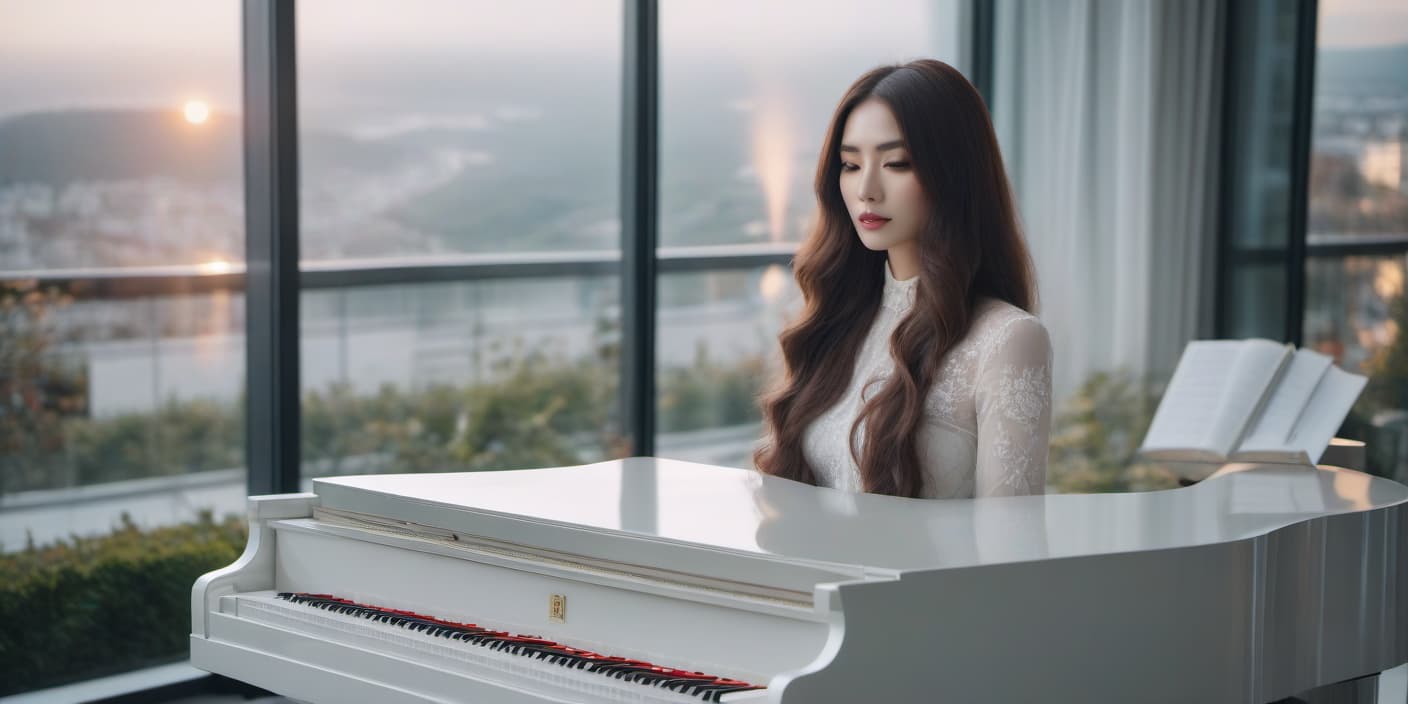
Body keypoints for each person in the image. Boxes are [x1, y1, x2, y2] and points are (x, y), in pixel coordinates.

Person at [754, 59, 1051, 499]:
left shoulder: (1008, 340)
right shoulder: (837, 321)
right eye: (850, 165)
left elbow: (1009, 547)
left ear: (954, 174)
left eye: (896, 163)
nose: (867, 189)